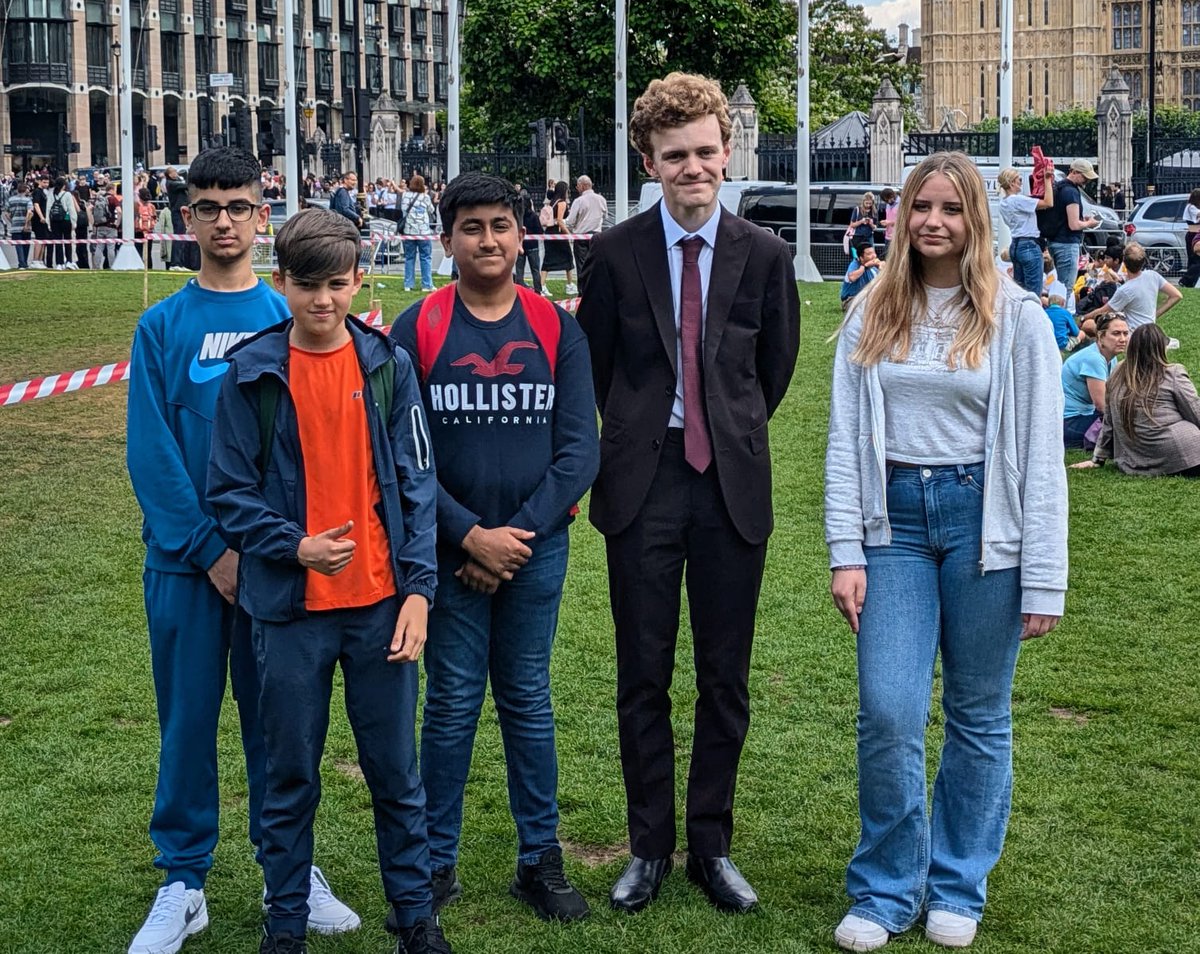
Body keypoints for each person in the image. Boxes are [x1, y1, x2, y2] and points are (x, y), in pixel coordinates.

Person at [824, 151, 1067, 952]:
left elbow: (1041, 454)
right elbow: (843, 440)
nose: (933, 221)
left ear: (976, 220)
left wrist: (1045, 578)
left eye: (951, 208)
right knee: (889, 709)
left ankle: (958, 883)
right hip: (891, 524)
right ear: (902, 216)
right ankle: (887, 887)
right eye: (921, 206)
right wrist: (845, 549)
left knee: (978, 712)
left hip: (983, 526)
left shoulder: (1017, 315)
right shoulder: (871, 308)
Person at [576, 71, 800, 916]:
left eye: (705, 151)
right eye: (675, 156)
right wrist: (645, 431)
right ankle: (648, 847)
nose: (693, 167)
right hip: (644, 482)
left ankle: (710, 844)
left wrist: (725, 427)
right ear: (650, 162)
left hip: (730, 483)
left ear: (727, 151)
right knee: (643, 673)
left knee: (724, 677)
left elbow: (773, 368)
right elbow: (595, 367)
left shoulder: (766, 254)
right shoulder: (614, 253)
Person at [125, 149, 358, 954]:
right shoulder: (160, 326)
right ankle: (182, 881)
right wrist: (207, 549)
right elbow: (152, 453)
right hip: (185, 567)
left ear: (263, 215)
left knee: (279, 728)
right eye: (207, 206)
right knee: (187, 724)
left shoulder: (291, 312)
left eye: (238, 206)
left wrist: (268, 549)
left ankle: (285, 872)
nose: (223, 220)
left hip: (274, 565)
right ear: (186, 217)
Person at [206, 207, 448, 954]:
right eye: (307, 285)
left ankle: (416, 919)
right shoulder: (251, 372)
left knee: (396, 775)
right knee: (289, 778)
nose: (322, 300)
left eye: (336, 284)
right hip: (288, 612)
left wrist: (419, 591)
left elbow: (418, 486)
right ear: (280, 282)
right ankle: (284, 927)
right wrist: (295, 546)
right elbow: (227, 493)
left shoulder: (388, 365)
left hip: (380, 608)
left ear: (358, 281)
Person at [389, 172, 599, 923]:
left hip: (535, 550)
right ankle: (433, 863)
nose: (487, 239)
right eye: (471, 226)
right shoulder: (417, 327)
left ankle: (539, 858)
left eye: (500, 225)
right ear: (446, 239)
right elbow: (403, 456)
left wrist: (516, 537)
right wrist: (470, 536)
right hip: (448, 552)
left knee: (527, 698)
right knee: (449, 703)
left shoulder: (554, 325)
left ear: (520, 234)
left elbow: (579, 451)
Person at [1072, 323, 1200, 476]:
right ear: (1161, 347)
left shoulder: (1118, 372)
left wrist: (1098, 459)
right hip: (1182, 454)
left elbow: (1109, 420)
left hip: (1135, 462)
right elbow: (1194, 410)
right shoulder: (1172, 373)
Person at [1080, 241, 1182, 339]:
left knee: (1088, 324)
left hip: (1133, 335)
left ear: (1123, 262)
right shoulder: (1153, 275)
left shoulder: (1125, 289)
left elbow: (1103, 311)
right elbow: (1177, 295)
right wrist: (1155, 315)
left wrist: (1083, 318)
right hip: (1150, 330)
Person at [1038, 159, 1101, 311]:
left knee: (1058, 286)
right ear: (1074, 172)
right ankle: (1060, 319)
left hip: (1054, 241)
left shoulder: (1058, 187)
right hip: (1067, 243)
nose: (1086, 181)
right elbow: (1074, 225)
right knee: (1065, 288)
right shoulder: (1071, 192)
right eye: (1084, 177)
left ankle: (1055, 315)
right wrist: (1089, 223)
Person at [1061, 313, 1130, 449]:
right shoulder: (1094, 359)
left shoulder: (1110, 357)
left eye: (1125, 333)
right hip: (1070, 421)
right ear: (1101, 336)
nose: (1122, 339)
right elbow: (1102, 405)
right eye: (1116, 334)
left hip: (1085, 414)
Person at [997, 166, 1055, 296]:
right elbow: (1048, 203)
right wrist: (1047, 180)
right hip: (1029, 244)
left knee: (1020, 291)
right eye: (1019, 180)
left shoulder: (1003, 203)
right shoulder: (1018, 200)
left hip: (1015, 245)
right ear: (1012, 183)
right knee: (1033, 293)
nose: (1021, 182)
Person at [398, 173, 436, 292]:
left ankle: (408, 284)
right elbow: (431, 209)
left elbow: (403, 210)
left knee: (409, 257)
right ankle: (427, 284)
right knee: (425, 257)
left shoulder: (405, 195)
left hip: (409, 231)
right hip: (423, 231)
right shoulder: (425, 197)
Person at [564, 174, 607, 276]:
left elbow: (570, 221)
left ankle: (583, 286)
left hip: (581, 236)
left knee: (582, 266)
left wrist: (563, 222)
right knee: (596, 265)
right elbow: (605, 216)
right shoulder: (601, 199)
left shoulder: (579, 201)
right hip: (596, 236)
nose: (577, 188)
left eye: (577, 186)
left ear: (582, 186)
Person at [539, 180, 575, 296]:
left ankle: (542, 285)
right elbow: (560, 221)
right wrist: (569, 234)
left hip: (549, 232)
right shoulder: (562, 203)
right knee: (568, 257)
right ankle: (569, 285)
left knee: (548, 259)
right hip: (558, 233)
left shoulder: (553, 201)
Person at [165, 166, 199, 271]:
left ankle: (181, 262)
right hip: (177, 212)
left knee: (183, 236)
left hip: (182, 211)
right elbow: (185, 186)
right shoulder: (171, 183)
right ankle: (175, 263)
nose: (176, 173)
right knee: (179, 236)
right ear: (169, 174)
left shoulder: (177, 182)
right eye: (174, 171)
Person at [515, 188, 545, 294]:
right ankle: (538, 290)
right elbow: (540, 231)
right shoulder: (534, 216)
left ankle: (519, 290)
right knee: (535, 270)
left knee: (519, 270)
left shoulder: (518, 216)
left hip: (520, 245)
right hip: (533, 246)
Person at [841, 241, 882, 309]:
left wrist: (883, 269)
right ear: (861, 258)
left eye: (874, 253)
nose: (873, 256)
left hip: (868, 299)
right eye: (869, 254)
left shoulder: (874, 269)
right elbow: (852, 277)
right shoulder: (854, 264)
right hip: (851, 299)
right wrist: (865, 266)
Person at [46, 176, 76, 269]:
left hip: (54, 221)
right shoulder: (67, 194)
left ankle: (59, 263)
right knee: (67, 241)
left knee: (58, 242)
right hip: (66, 220)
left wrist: (48, 222)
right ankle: (69, 261)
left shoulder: (51, 194)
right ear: (64, 185)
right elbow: (71, 209)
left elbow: (48, 209)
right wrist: (74, 221)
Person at [4, 181, 33, 268]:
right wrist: (26, 224)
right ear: (25, 190)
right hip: (26, 226)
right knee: (26, 245)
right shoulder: (28, 200)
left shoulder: (11, 200)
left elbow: (7, 213)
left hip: (15, 226)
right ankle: (25, 262)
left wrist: (12, 221)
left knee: (18, 246)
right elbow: (30, 212)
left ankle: (21, 263)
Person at [28, 174, 50, 268]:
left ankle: (40, 260)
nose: (46, 184)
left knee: (43, 240)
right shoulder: (37, 191)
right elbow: (36, 205)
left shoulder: (44, 192)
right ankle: (35, 260)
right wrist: (41, 217)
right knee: (39, 239)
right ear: (40, 182)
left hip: (44, 219)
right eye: (44, 182)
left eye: (47, 182)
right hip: (38, 219)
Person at [1180, 187, 1200, 288]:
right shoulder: (1191, 207)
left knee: (1194, 260)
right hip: (1193, 235)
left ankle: (1191, 280)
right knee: (1195, 259)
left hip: (1194, 234)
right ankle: (1186, 280)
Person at [73, 178, 93, 269]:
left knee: (79, 244)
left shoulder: (79, 203)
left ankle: (82, 261)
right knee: (83, 245)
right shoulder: (83, 203)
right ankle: (84, 261)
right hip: (84, 224)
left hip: (78, 224)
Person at [880, 187, 899, 259]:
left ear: (892, 195)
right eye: (886, 200)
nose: (888, 201)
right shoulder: (888, 205)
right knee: (887, 258)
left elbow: (904, 220)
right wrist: (886, 222)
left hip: (897, 236)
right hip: (888, 235)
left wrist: (890, 222)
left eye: (889, 198)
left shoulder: (901, 203)